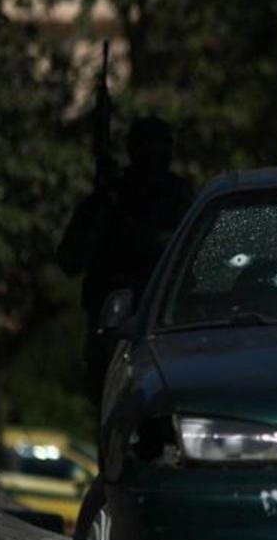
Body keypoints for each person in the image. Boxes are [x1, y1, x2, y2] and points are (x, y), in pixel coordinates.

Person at [57, 116, 193, 401]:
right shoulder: (111, 198)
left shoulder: (178, 199)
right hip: (113, 325)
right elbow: (70, 258)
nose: (153, 159)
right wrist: (103, 208)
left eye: (160, 149)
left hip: (166, 323)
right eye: (147, 149)